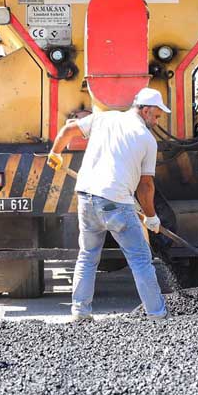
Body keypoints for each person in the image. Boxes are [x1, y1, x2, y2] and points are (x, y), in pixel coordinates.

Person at [47, 87, 169, 322]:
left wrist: (55, 152)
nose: (156, 120)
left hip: (86, 197)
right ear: (144, 110)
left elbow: (68, 129)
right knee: (140, 259)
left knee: (88, 255)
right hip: (116, 203)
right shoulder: (146, 140)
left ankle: (80, 313)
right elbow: (145, 186)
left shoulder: (104, 118)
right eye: (155, 115)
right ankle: (157, 314)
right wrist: (152, 217)